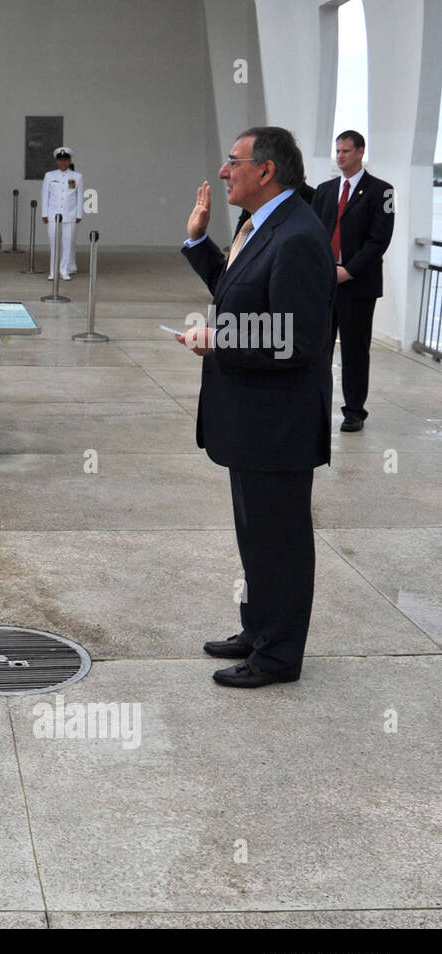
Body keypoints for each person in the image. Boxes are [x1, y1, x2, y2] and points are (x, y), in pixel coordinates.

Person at [178, 126, 335, 688]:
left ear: (266, 171)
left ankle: (277, 656)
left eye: (233, 161)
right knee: (256, 536)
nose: (224, 172)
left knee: (281, 542)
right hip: (252, 418)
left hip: (279, 424)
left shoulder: (297, 236)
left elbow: (298, 337)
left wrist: (221, 340)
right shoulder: (260, 225)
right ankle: (259, 629)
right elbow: (237, 291)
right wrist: (198, 243)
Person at [312, 129, 395, 432]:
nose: (340, 156)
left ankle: (354, 411)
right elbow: (314, 234)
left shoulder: (383, 192)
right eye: (338, 151)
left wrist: (348, 270)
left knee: (355, 351)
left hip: (358, 285)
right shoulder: (324, 190)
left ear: (360, 152)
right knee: (319, 348)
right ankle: (316, 405)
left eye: (346, 151)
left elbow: (379, 240)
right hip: (324, 284)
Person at [41, 146, 83, 280]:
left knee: (67, 243)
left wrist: (79, 214)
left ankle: (64, 270)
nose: (63, 162)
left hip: (69, 214)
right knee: (53, 243)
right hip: (53, 213)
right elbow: (45, 195)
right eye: (60, 160)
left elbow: (79, 196)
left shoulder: (76, 176)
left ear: (70, 161)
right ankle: (53, 271)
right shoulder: (50, 175)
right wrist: (44, 213)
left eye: (65, 160)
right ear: (56, 161)